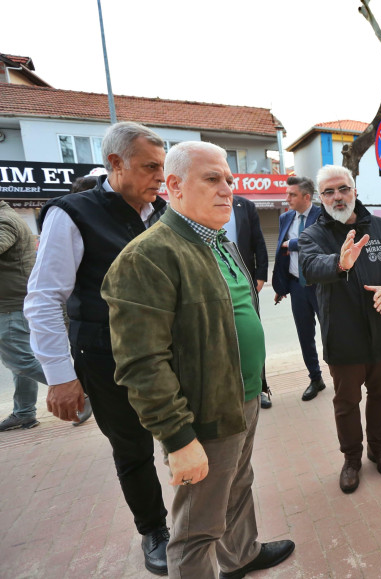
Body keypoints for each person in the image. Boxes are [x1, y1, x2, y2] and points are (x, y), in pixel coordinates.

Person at [101, 141, 294, 579]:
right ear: (174, 186)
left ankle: (241, 555)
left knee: (238, 485)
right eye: (212, 178)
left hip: (240, 398)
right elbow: (141, 363)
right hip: (202, 415)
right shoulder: (149, 256)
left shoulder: (218, 241)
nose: (227, 188)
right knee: (195, 529)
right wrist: (178, 438)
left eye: (228, 178)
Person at [24, 121, 171, 574]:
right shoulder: (72, 214)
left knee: (185, 438)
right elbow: (45, 298)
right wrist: (61, 376)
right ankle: (154, 530)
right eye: (150, 168)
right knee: (132, 450)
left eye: (162, 168)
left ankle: (196, 521)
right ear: (115, 164)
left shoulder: (164, 213)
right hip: (106, 360)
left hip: (167, 356)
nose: (159, 178)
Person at [300, 165, 381, 494]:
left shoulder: (380, 228)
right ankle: (351, 458)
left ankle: (378, 449)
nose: (337, 197)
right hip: (343, 336)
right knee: (347, 402)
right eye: (329, 192)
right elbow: (309, 268)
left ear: (355, 190)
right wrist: (339, 263)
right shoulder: (313, 236)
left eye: (343, 189)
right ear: (320, 198)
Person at [0, 201, 92, 431]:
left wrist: (62, 379)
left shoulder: (5, 221)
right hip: (13, 301)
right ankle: (24, 412)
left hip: (11, 303)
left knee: (20, 360)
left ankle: (82, 392)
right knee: (20, 362)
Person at [273, 176, 325, 401]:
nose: (287, 199)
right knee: (305, 336)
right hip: (297, 286)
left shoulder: (322, 215)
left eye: (292, 195)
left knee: (331, 333)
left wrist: (291, 244)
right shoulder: (285, 217)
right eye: (287, 194)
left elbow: (319, 243)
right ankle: (316, 378)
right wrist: (282, 286)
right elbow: (282, 256)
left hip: (322, 286)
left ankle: (341, 375)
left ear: (306, 196)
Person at [224, 195, 272, 408]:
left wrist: (260, 276)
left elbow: (258, 242)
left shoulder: (245, 206)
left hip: (245, 278)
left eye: (228, 179)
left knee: (253, 333)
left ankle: (261, 387)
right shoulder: (203, 202)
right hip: (217, 277)